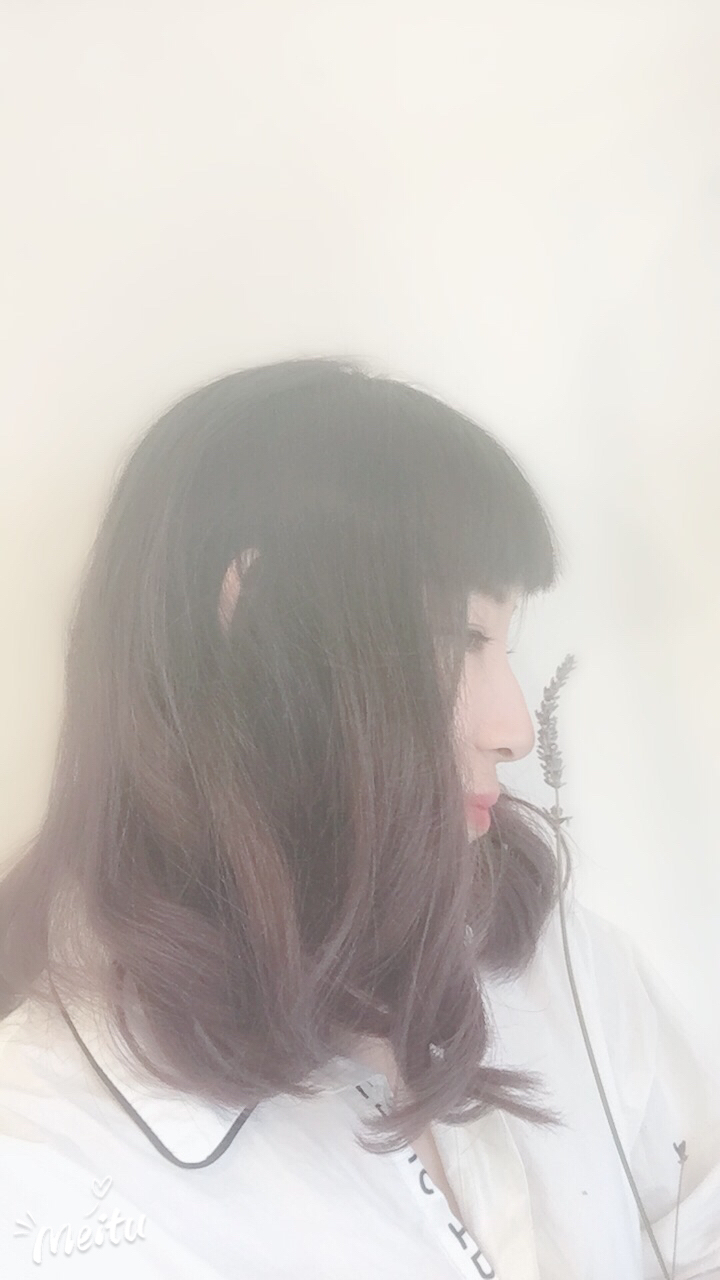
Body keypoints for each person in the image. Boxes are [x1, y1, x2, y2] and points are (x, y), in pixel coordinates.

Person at [0, 356, 717, 1279]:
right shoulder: (48, 1171)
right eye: (462, 638)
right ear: (257, 620)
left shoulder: (543, 947)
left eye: (508, 644)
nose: (514, 728)